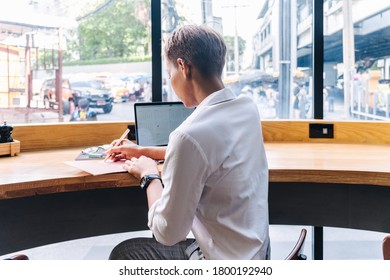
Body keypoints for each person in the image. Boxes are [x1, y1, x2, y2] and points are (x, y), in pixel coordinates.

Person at [107, 24, 269, 260]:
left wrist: (149, 176)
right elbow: (209, 152)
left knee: (124, 254)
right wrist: (142, 151)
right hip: (255, 252)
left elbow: (167, 233)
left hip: (221, 262)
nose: (171, 81)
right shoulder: (247, 109)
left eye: (170, 73)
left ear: (183, 67)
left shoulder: (189, 136)